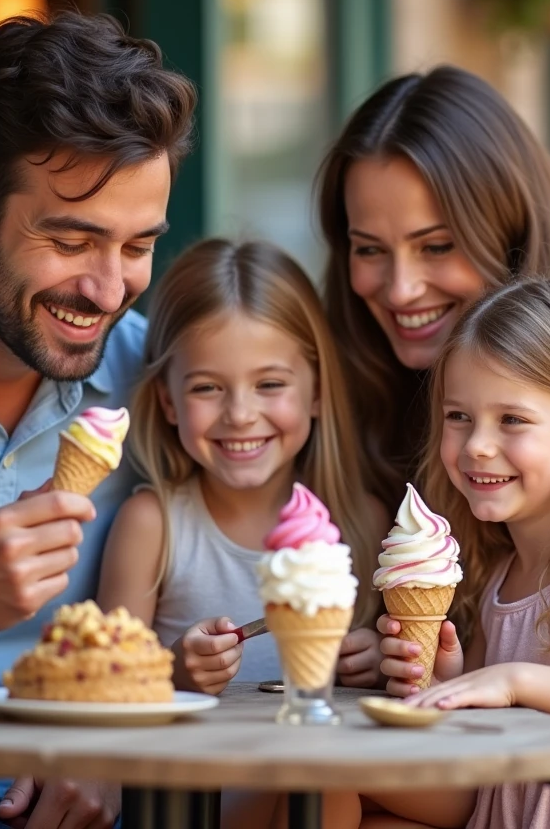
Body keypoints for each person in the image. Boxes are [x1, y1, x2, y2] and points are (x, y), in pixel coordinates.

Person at [0, 11, 195, 827]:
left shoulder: (164, 389)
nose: (107, 288)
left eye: (136, 246)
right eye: (72, 239)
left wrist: (110, 746)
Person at [364, 278, 550, 829]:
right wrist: (445, 683)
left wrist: (512, 680)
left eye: (512, 419)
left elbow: (514, 687)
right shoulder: (500, 574)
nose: (477, 444)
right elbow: (486, 756)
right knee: (330, 791)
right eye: (458, 416)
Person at [316, 66, 550, 513]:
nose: (400, 290)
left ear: (511, 235)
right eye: (370, 250)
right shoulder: (320, 411)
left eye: (436, 246)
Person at [98, 238, 386, 695]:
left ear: (316, 392)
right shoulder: (152, 525)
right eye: (207, 388)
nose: (240, 414)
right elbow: (105, 684)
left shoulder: (364, 522)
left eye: (269, 383)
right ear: (168, 401)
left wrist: (376, 660)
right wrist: (171, 672)